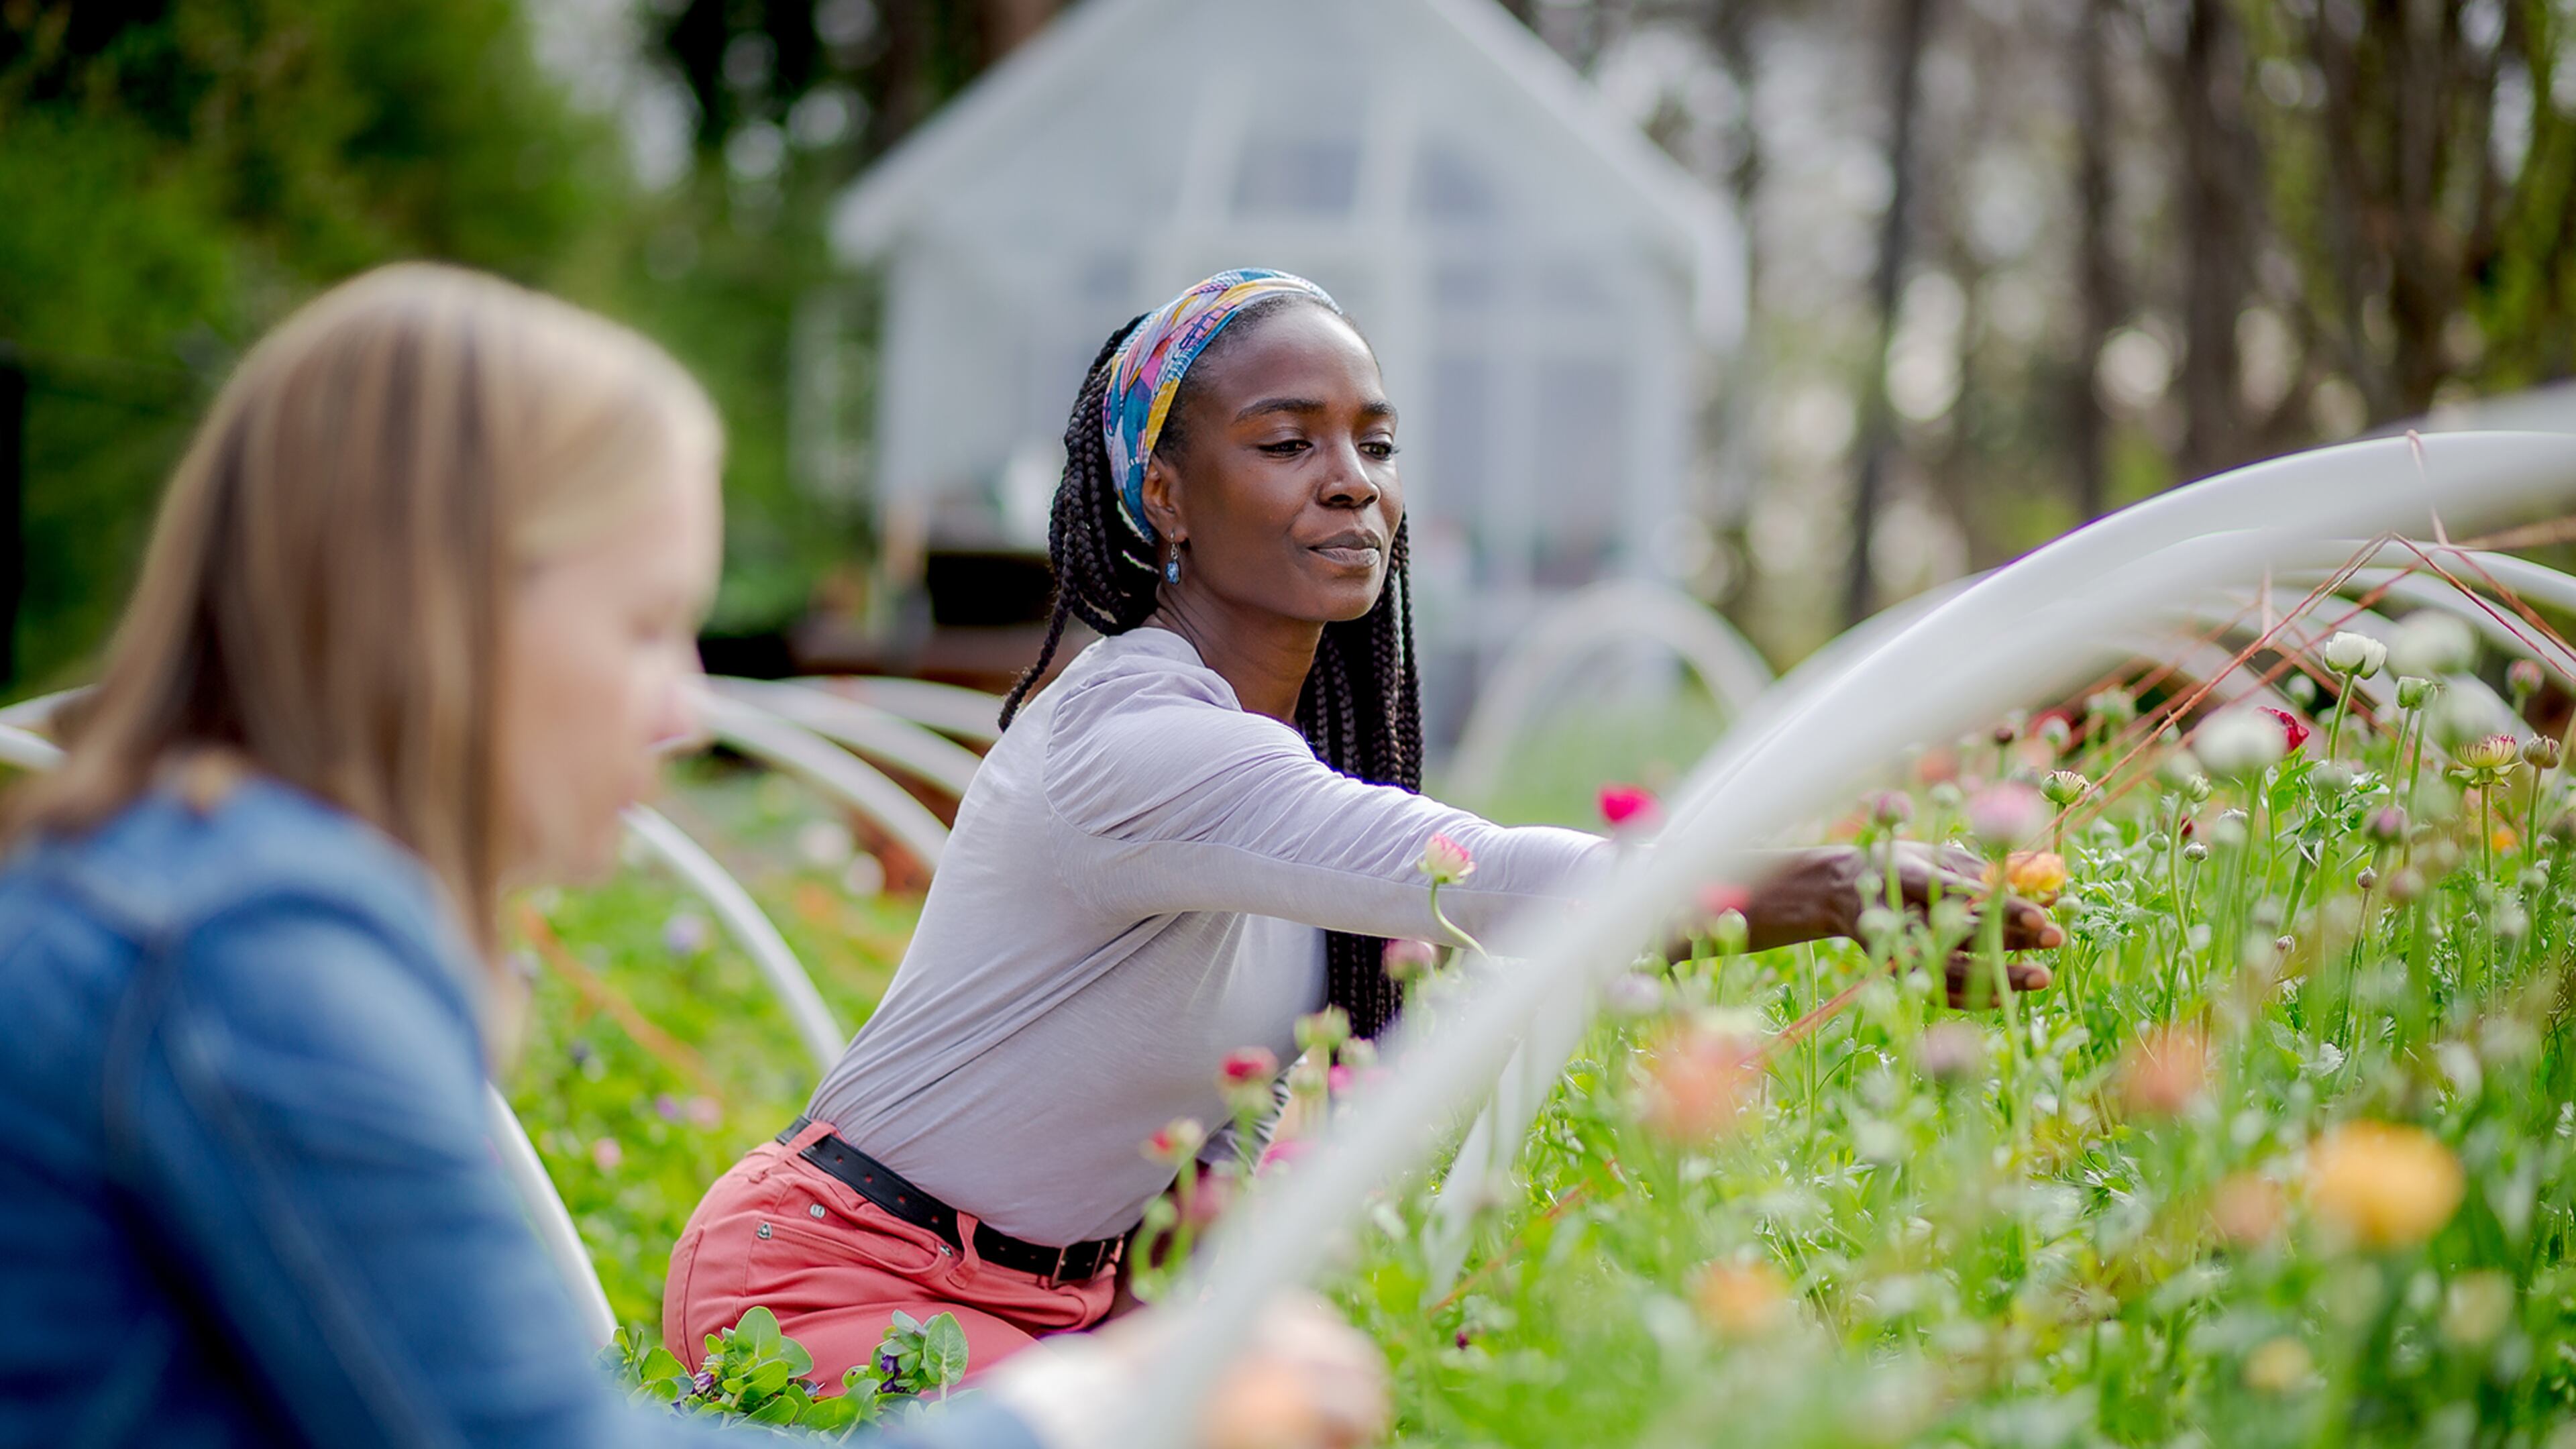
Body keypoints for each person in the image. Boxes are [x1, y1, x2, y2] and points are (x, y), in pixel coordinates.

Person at [0, 264, 1385, 1449]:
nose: (679, 714)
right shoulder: (252, 962)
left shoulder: (205, 902)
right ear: (445, 613)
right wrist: (1080, 1412)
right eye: (647, 626)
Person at [666, 269, 2064, 1381]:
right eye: (1287, 443)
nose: (1354, 481)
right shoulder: (1135, 742)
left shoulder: (1278, 776)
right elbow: (1480, 879)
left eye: (1375, 444)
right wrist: (1833, 888)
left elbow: (1186, 1205)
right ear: (1166, 499)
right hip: (836, 1281)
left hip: (1048, 1310)